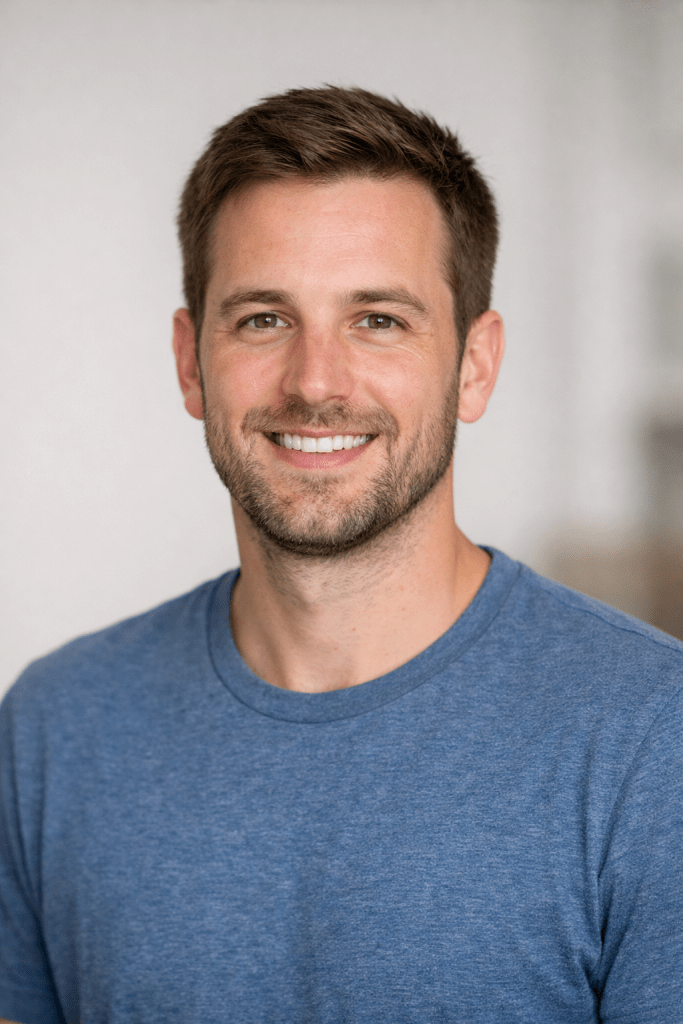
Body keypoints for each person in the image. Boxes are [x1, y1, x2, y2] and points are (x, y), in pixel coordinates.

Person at [0, 86, 681, 1024]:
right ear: (191, 361)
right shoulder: (54, 730)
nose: (315, 382)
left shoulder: (652, 741)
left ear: (473, 366)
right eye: (263, 319)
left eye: (379, 320)